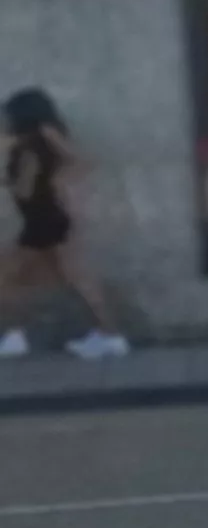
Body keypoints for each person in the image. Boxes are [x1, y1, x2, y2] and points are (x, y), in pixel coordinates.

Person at [0, 89, 126, 359]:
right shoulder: (34, 140)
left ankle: (110, 336)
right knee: (69, 279)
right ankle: (107, 335)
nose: (6, 119)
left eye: (9, 114)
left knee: (14, 278)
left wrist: (54, 180)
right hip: (45, 220)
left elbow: (26, 189)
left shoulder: (36, 140)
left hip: (45, 222)